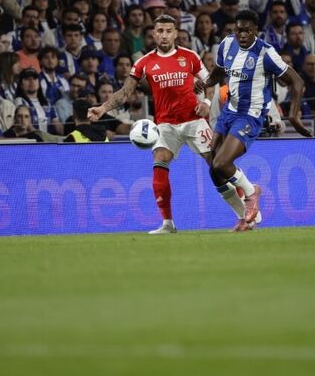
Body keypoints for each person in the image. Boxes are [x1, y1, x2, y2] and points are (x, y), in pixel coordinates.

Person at [88, 14, 225, 234]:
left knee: (218, 165)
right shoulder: (144, 62)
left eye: (168, 31)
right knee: (159, 162)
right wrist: (102, 109)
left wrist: (207, 103)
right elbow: (125, 93)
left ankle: (246, 207)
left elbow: (209, 83)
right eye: (159, 31)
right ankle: (167, 223)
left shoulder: (189, 57)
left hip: (194, 120)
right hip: (165, 125)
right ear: (153, 34)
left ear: (175, 33)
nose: (164, 35)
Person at [199, 9, 311, 231]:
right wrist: (205, 83)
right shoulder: (226, 45)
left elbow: (296, 82)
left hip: (250, 115)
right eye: (238, 30)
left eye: (247, 31)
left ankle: (252, 192)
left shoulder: (266, 53)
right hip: (229, 111)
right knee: (214, 169)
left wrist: (293, 116)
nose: (242, 35)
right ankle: (244, 218)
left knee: (222, 163)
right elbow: (220, 72)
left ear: (256, 31)